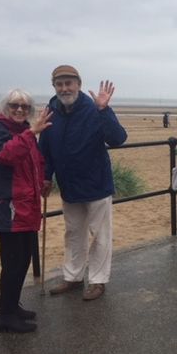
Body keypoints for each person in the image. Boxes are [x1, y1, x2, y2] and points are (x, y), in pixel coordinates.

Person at [39, 65, 128, 301]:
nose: (65, 88)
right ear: (54, 87)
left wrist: (104, 109)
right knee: (73, 233)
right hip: (69, 185)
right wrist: (46, 175)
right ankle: (73, 277)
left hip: (97, 184)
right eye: (60, 84)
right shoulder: (51, 109)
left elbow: (118, 139)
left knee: (100, 235)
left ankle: (98, 281)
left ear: (78, 84)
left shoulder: (94, 108)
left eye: (69, 83)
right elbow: (45, 148)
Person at [0, 90, 52, 333]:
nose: (20, 110)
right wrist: (32, 132)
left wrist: (43, 179)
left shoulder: (23, 132)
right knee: (12, 261)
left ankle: (12, 306)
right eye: (15, 105)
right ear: (6, 106)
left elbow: (35, 159)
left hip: (26, 205)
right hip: (7, 206)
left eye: (25, 106)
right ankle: (5, 316)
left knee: (23, 259)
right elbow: (5, 154)